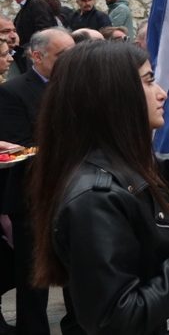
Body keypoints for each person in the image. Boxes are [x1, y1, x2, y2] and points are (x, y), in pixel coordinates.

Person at [25, 41, 169, 334]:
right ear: (112, 94)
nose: (162, 93)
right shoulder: (94, 199)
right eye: (149, 81)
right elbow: (118, 319)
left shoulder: (120, 164)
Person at [0, 28, 75, 335]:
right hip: (31, 199)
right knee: (33, 279)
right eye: (63, 56)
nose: (71, 62)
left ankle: (78, 325)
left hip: (74, 194)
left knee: (76, 270)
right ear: (37, 56)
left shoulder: (76, 88)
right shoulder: (13, 92)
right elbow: (18, 147)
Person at [9, 0, 57, 73]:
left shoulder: (36, 3)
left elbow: (44, 29)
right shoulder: (29, 5)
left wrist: (31, 47)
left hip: (34, 52)